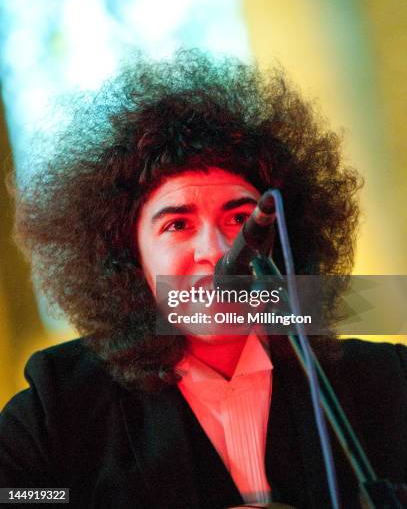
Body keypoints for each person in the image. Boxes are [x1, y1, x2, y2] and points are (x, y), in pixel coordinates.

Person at [0, 50, 406, 508]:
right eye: (178, 225)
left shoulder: (387, 382)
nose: (215, 251)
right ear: (127, 256)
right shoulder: (59, 403)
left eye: (239, 219)